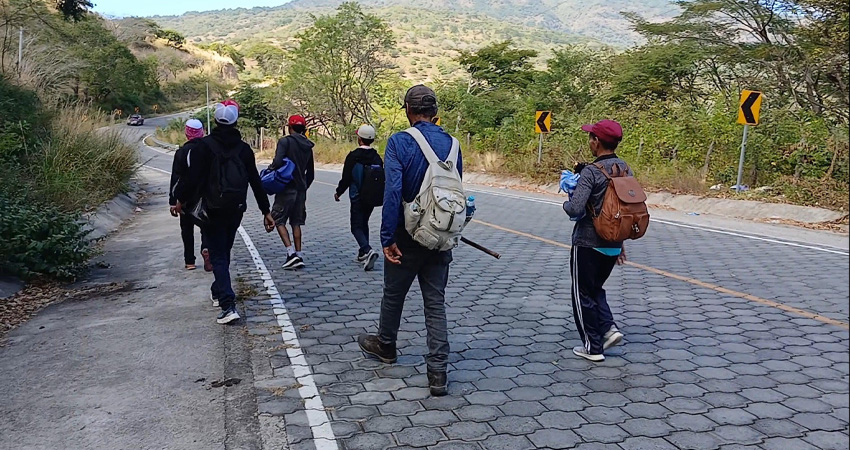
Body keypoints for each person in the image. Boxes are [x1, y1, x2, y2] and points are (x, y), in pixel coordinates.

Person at [358, 85, 461, 397]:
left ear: (408, 110)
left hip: (408, 234)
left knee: (394, 294)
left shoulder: (400, 141)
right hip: (440, 235)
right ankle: (438, 371)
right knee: (435, 302)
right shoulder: (454, 144)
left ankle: (386, 345)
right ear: (434, 111)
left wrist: (387, 237)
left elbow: (393, 192)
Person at [173, 101, 275, 324]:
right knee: (223, 251)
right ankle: (218, 290)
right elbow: (255, 182)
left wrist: (179, 200)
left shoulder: (204, 146)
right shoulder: (244, 149)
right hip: (235, 209)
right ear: (236, 121)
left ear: (216, 120)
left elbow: (191, 179)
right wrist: (265, 211)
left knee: (218, 254)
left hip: (211, 210)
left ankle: (228, 305)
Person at [562, 119, 629, 362]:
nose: (589, 141)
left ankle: (592, 347)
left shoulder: (591, 171)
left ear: (597, 142)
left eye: (591, 138)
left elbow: (575, 208)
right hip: (613, 243)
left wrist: (566, 200)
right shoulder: (624, 168)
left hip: (588, 242)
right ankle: (608, 328)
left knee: (582, 293)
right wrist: (621, 243)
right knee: (595, 288)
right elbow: (622, 208)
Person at [334, 124, 383, 271]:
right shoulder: (376, 157)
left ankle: (367, 250)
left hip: (357, 196)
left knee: (355, 226)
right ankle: (362, 253)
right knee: (364, 222)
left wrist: (339, 192)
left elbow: (346, 178)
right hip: (371, 197)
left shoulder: (353, 156)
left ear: (359, 139)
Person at [269, 115, 315, 270]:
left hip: (286, 187)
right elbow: (311, 173)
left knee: (278, 219)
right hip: (300, 189)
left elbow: (277, 162)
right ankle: (299, 254)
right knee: (296, 222)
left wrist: (270, 171)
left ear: (290, 127)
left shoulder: (285, 142)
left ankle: (291, 253)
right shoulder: (308, 146)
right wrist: (303, 186)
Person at [169, 119, 211, 271]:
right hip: (206, 196)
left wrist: (174, 201)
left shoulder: (182, 152)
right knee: (206, 226)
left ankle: (189, 261)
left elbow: (176, 178)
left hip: (185, 198)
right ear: (202, 132)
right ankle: (206, 248)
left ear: (186, 134)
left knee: (186, 228)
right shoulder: (209, 149)